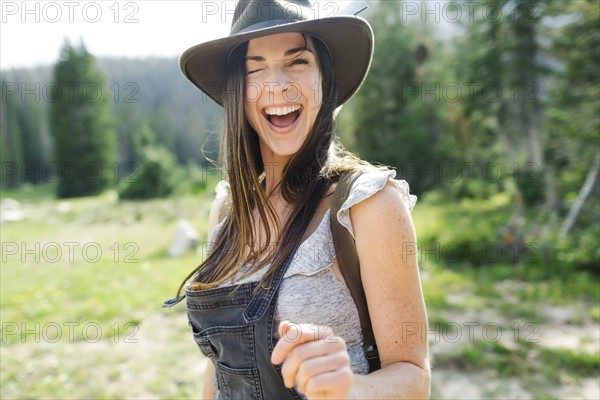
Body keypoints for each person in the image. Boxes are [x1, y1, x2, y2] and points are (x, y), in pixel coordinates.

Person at [164, 0, 430, 398]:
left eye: (298, 61)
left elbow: (413, 376)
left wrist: (349, 389)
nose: (277, 85)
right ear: (239, 90)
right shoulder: (226, 212)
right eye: (255, 68)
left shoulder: (367, 204)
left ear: (325, 77)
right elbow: (218, 368)